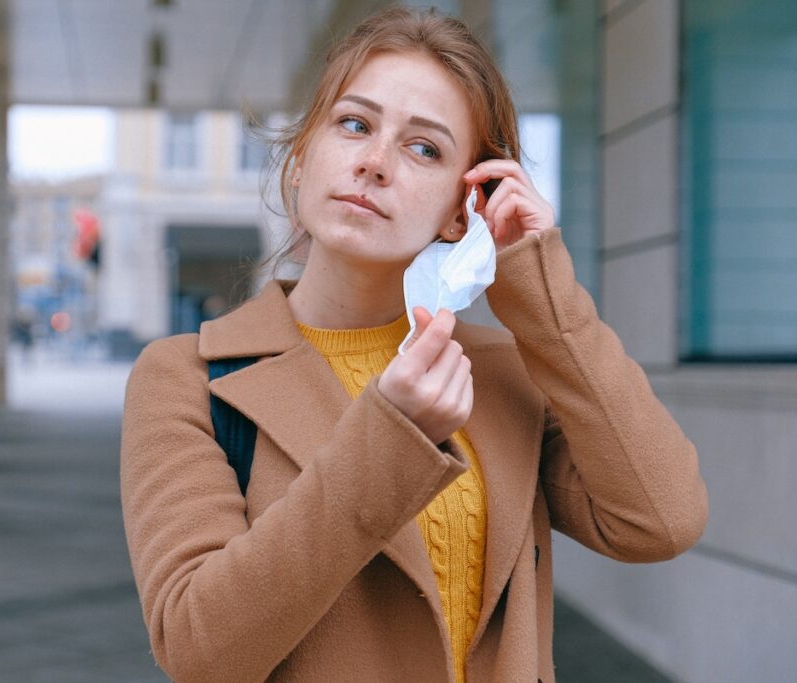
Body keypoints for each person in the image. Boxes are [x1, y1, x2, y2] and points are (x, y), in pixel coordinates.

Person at [119, 7, 708, 683]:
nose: (374, 162)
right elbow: (199, 648)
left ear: (465, 210)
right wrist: (390, 437)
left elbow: (662, 518)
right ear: (303, 156)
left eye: (423, 147)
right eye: (354, 124)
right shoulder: (186, 376)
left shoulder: (498, 372)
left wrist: (544, 302)